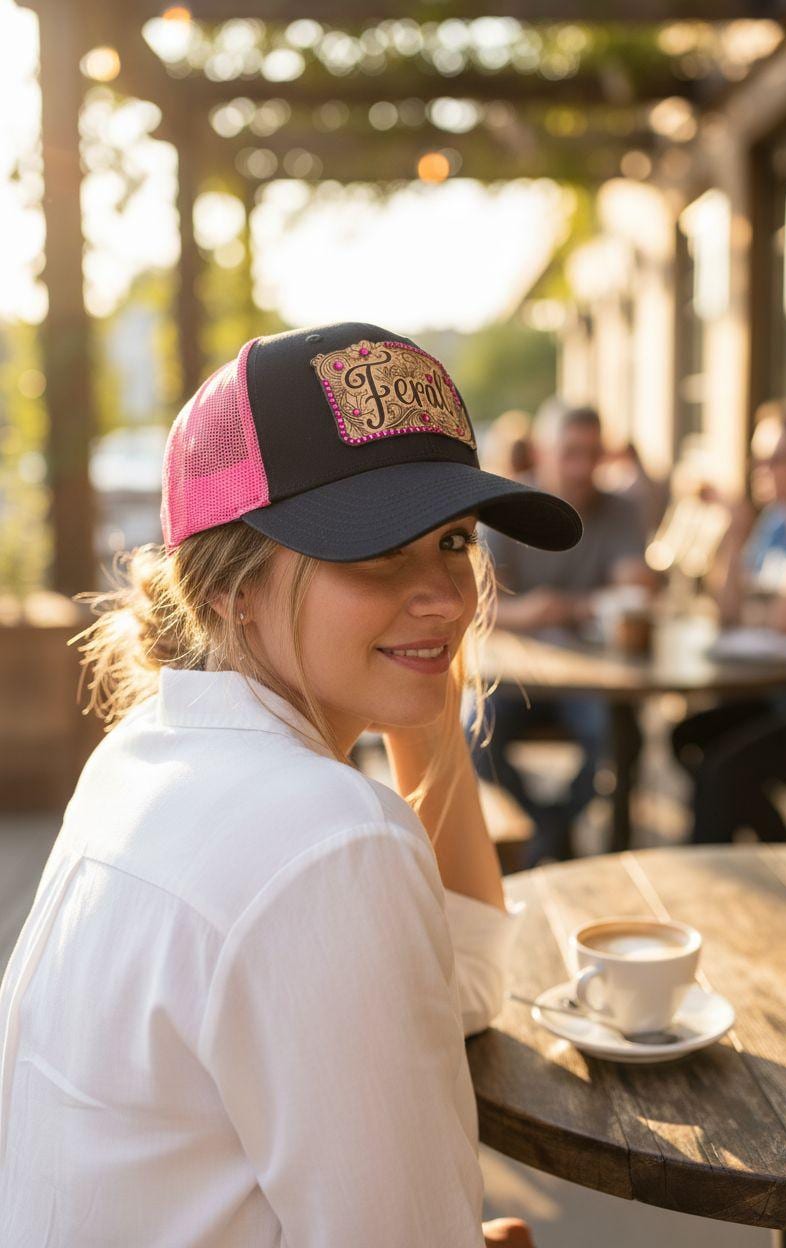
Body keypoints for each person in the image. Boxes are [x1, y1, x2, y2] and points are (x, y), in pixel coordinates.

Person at [0, 324, 584, 1247]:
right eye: (378, 548)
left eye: (454, 540)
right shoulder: (327, 837)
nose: (450, 595)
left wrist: (422, 695)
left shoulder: (140, 755)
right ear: (229, 586)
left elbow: (458, 986)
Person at [471, 401, 651, 864]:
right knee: (474, 735)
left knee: (616, 740)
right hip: (515, 673)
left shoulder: (621, 511)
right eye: (570, 451)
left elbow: (632, 586)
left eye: (593, 453)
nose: (582, 466)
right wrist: (534, 612)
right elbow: (480, 606)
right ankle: (548, 828)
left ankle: (551, 833)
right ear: (543, 451)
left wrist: (557, 607)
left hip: (591, 672)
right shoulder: (507, 505)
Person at [672, 404, 786, 844]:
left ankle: (708, 874)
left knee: (725, 771)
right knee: (686, 736)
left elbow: (785, 621)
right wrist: (735, 536)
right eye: (757, 458)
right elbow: (729, 610)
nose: (758, 469)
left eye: (773, 458)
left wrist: (762, 610)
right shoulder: (779, 521)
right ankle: (783, 847)